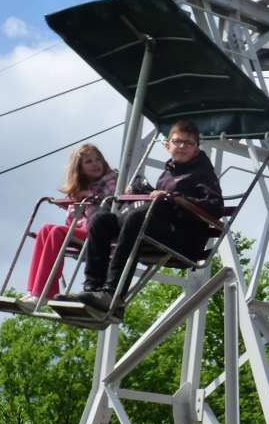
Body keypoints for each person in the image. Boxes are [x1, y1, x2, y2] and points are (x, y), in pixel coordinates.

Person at [72, 118, 223, 317]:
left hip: (184, 238)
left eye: (189, 143)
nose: (182, 147)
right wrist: (144, 191)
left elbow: (215, 206)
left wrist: (177, 199)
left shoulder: (202, 172)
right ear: (167, 145)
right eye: (178, 141)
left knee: (136, 218)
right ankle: (93, 288)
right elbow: (160, 201)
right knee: (102, 220)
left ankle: (113, 294)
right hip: (161, 227)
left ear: (196, 148)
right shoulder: (169, 171)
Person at [21, 143, 116, 309]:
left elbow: (115, 198)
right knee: (46, 229)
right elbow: (71, 223)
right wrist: (76, 205)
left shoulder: (110, 180)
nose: (95, 164)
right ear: (79, 169)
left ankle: (42, 293)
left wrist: (91, 196)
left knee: (57, 232)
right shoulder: (79, 190)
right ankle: (33, 289)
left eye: (98, 159)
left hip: (100, 232)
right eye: (89, 162)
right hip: (84, 229)